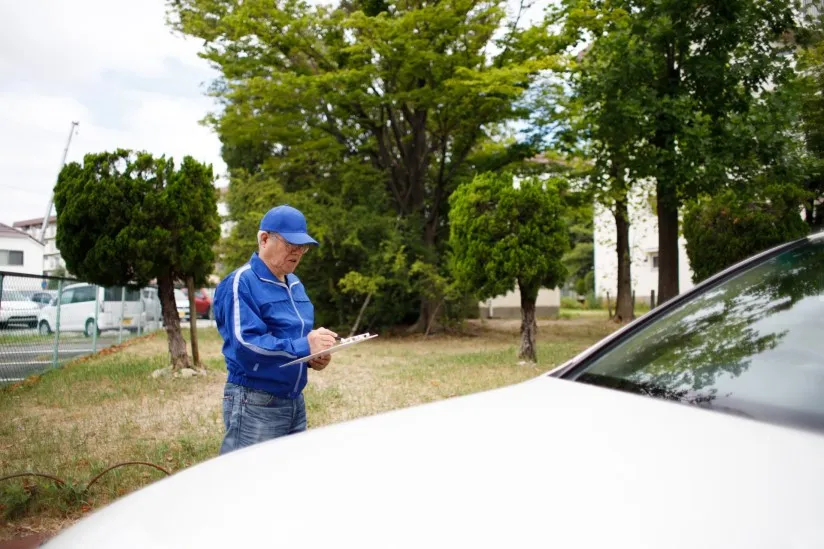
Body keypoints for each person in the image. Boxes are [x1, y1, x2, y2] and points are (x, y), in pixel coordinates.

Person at [212, 204, 338, 455]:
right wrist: (305, 345)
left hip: (293, 401)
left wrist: (314, 358)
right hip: (255, 402)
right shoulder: (242, 282)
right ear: (264, 239)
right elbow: (247, 345)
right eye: (290, 244)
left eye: (302, 247)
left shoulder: (296, 284)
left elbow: (295, 338)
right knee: (244, 481)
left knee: (285, 482)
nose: (297, 252)